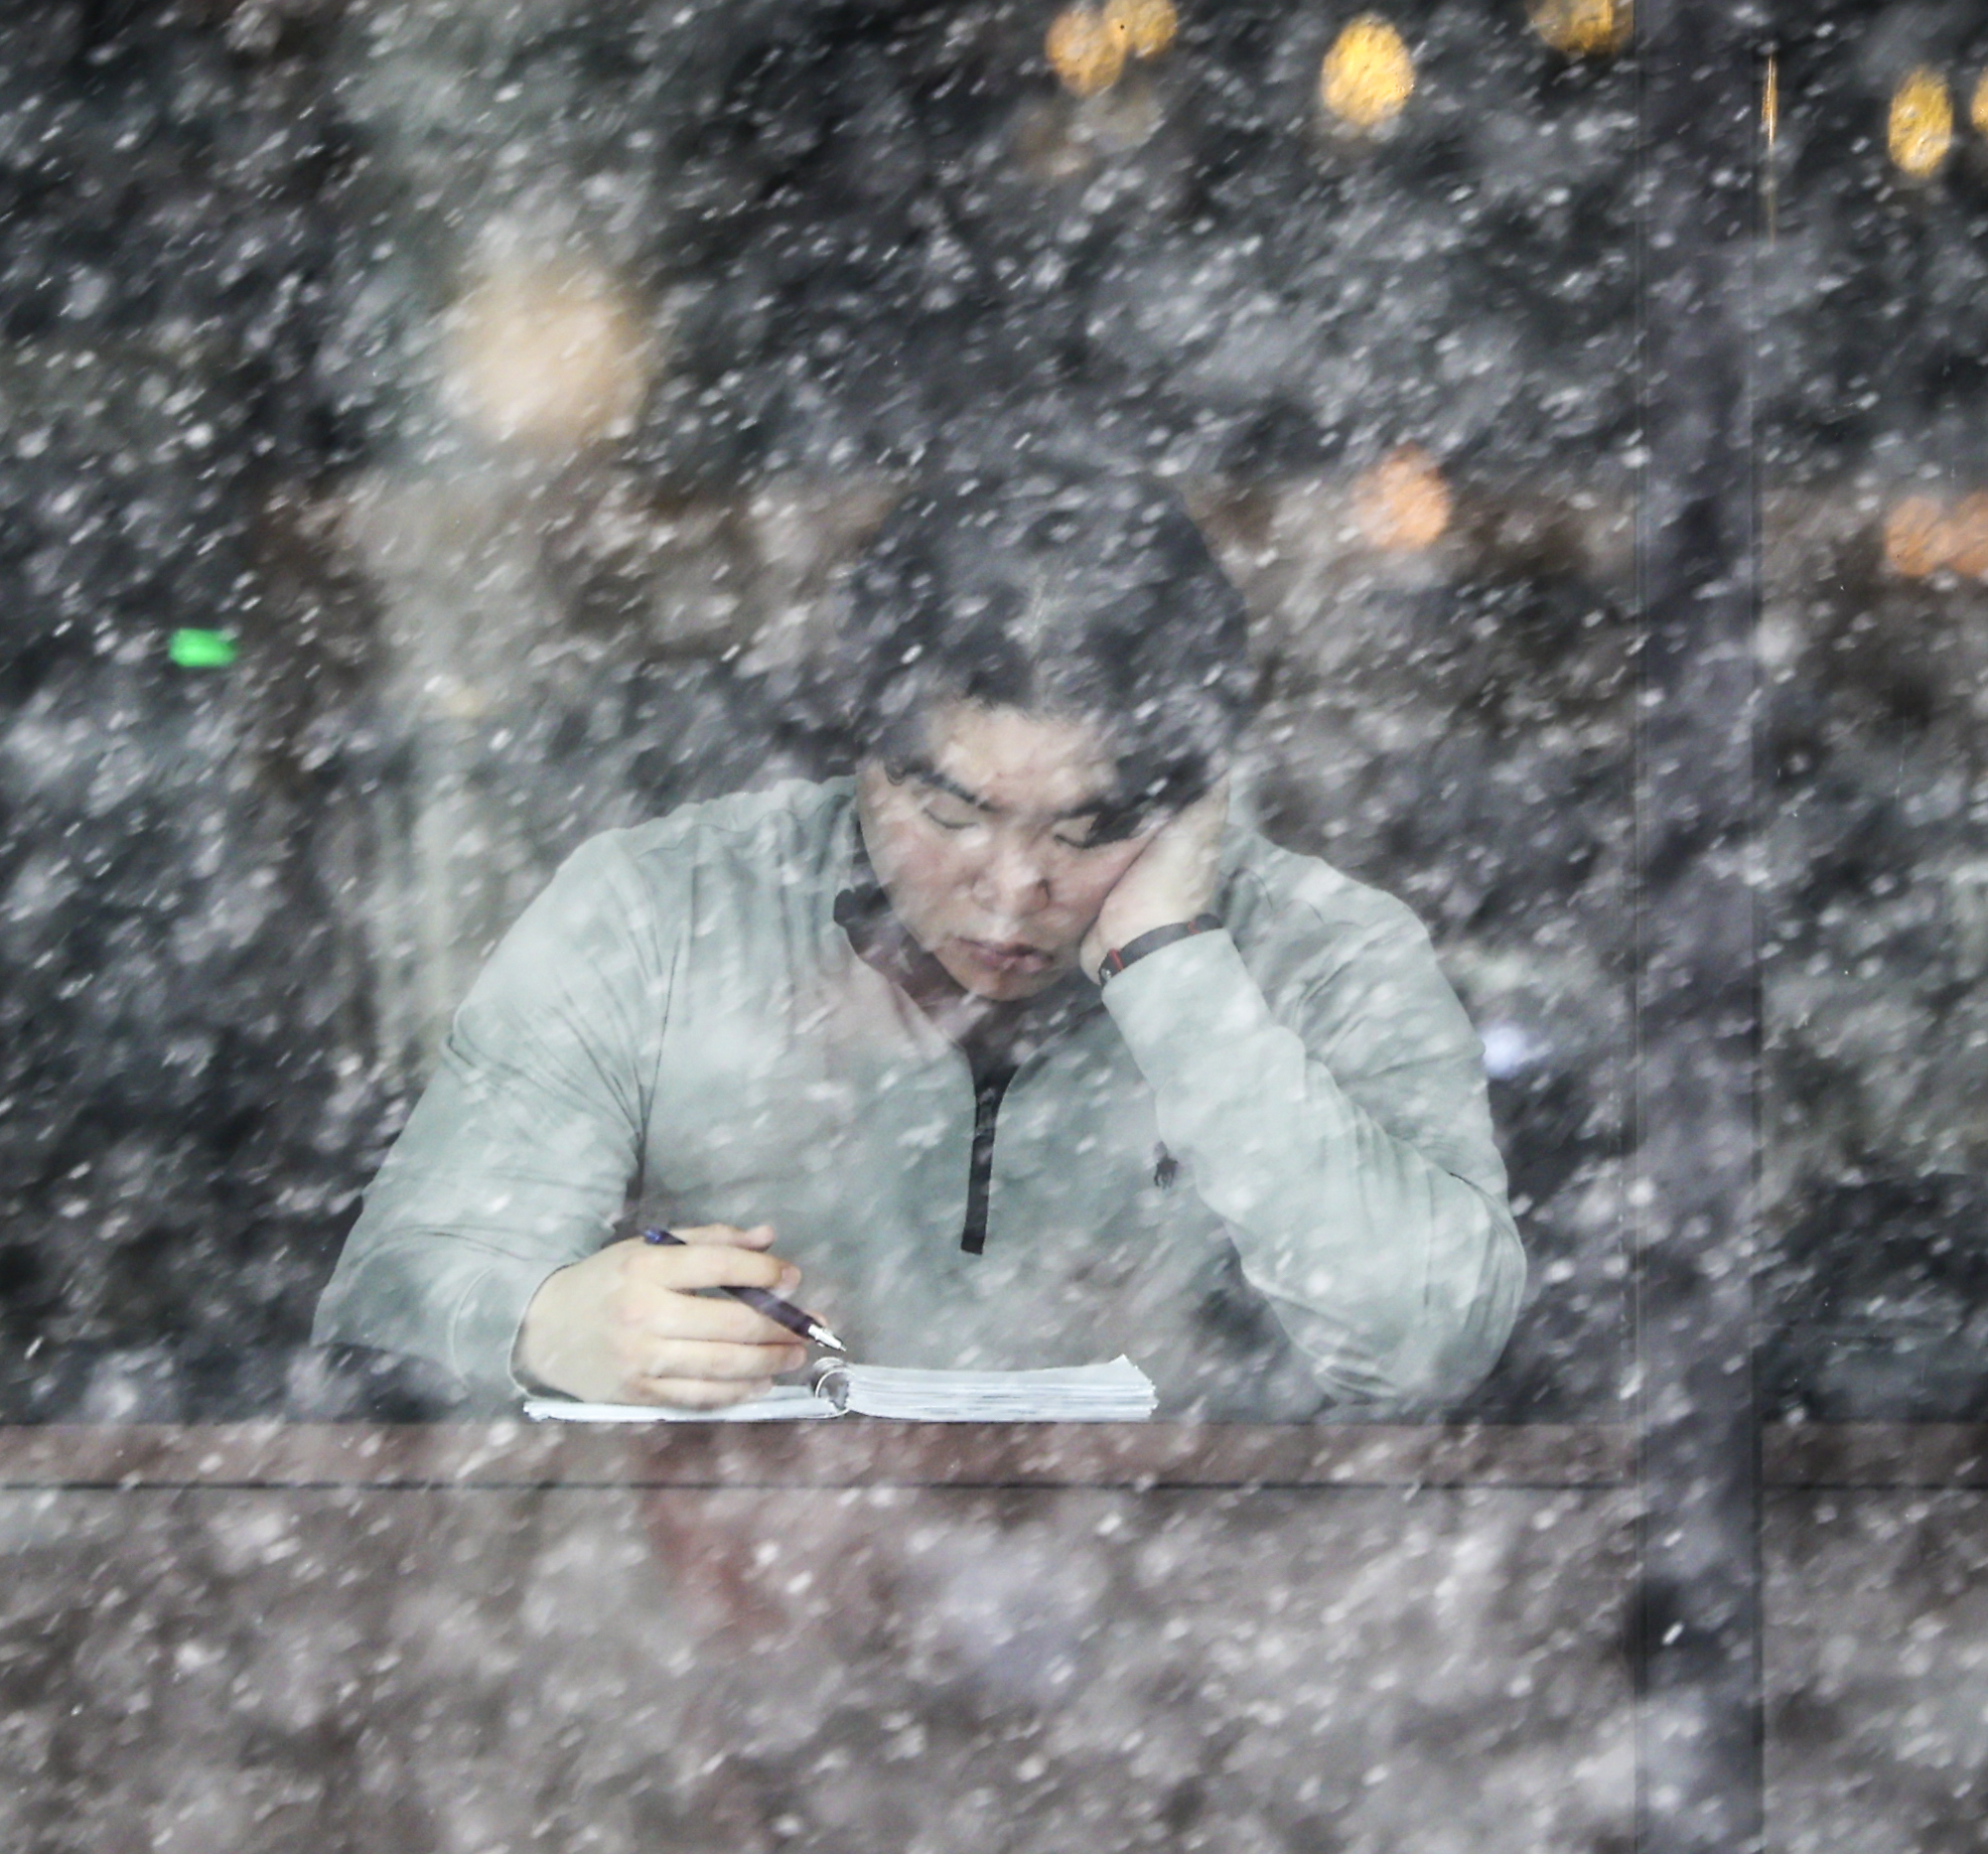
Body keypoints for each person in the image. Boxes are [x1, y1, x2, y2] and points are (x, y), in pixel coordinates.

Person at [312, 454, 1524, 1415]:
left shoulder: (1325, 952)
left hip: (1198, 1603)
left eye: (1087, 830)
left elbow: (1426, 1341)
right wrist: (540, 1324)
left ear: (1193, 801)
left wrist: (1170, 965)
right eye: (949, 815)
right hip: (729, 1606)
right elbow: (394, 1287)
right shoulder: (659, 910)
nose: (1008, 890)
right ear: (859, 753)